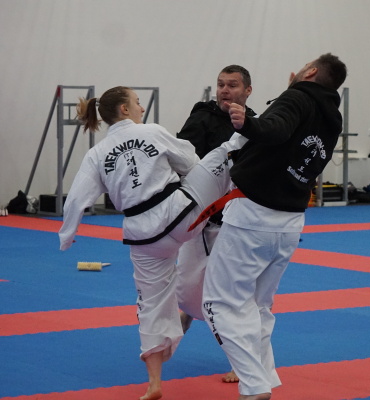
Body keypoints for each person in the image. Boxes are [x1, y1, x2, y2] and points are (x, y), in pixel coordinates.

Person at [57, 86, 246, 400]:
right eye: (137, 102)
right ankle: (252, 153)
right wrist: (197, 182)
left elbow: (76, 198)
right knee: (220, 155)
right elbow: (189, 161)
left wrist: (67, 235)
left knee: (151, 307)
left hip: (143, 237)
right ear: (124, 110)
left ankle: (154, 383)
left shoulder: (96, 154)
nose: (141, 107)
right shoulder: (151, 131)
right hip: (183, 216)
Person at [201, 53, 347, 400]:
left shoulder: (297, 97)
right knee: (258, 305)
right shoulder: (331, 117)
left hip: (253, 216)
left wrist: (247, 124)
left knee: (218, 303)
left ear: (311, 71)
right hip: (290, 221)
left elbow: (276, 128)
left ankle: (254, 384)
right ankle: (264, 375)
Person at [175, 65, 256, 384]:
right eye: (221, 84)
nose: (225, 90)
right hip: (201, 218)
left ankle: (242, 361)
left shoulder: (257, 124)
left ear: (248, 90)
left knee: (235, 294)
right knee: (187, 289)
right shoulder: (202, 118)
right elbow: (181, 160)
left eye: (232, 85)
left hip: (239, 220)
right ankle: (182, 320)